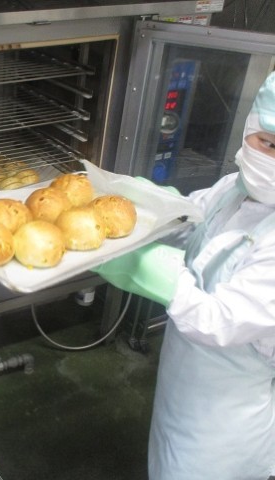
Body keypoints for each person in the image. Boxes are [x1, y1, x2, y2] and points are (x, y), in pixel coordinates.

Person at [94, 70, 275, 480]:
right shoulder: (236, 187)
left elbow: (220, 320)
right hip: (183, 382)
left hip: (226, 424)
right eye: (269, 143)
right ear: (249, 128)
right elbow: (194, 220)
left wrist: (161, 275)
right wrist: (154, 207)